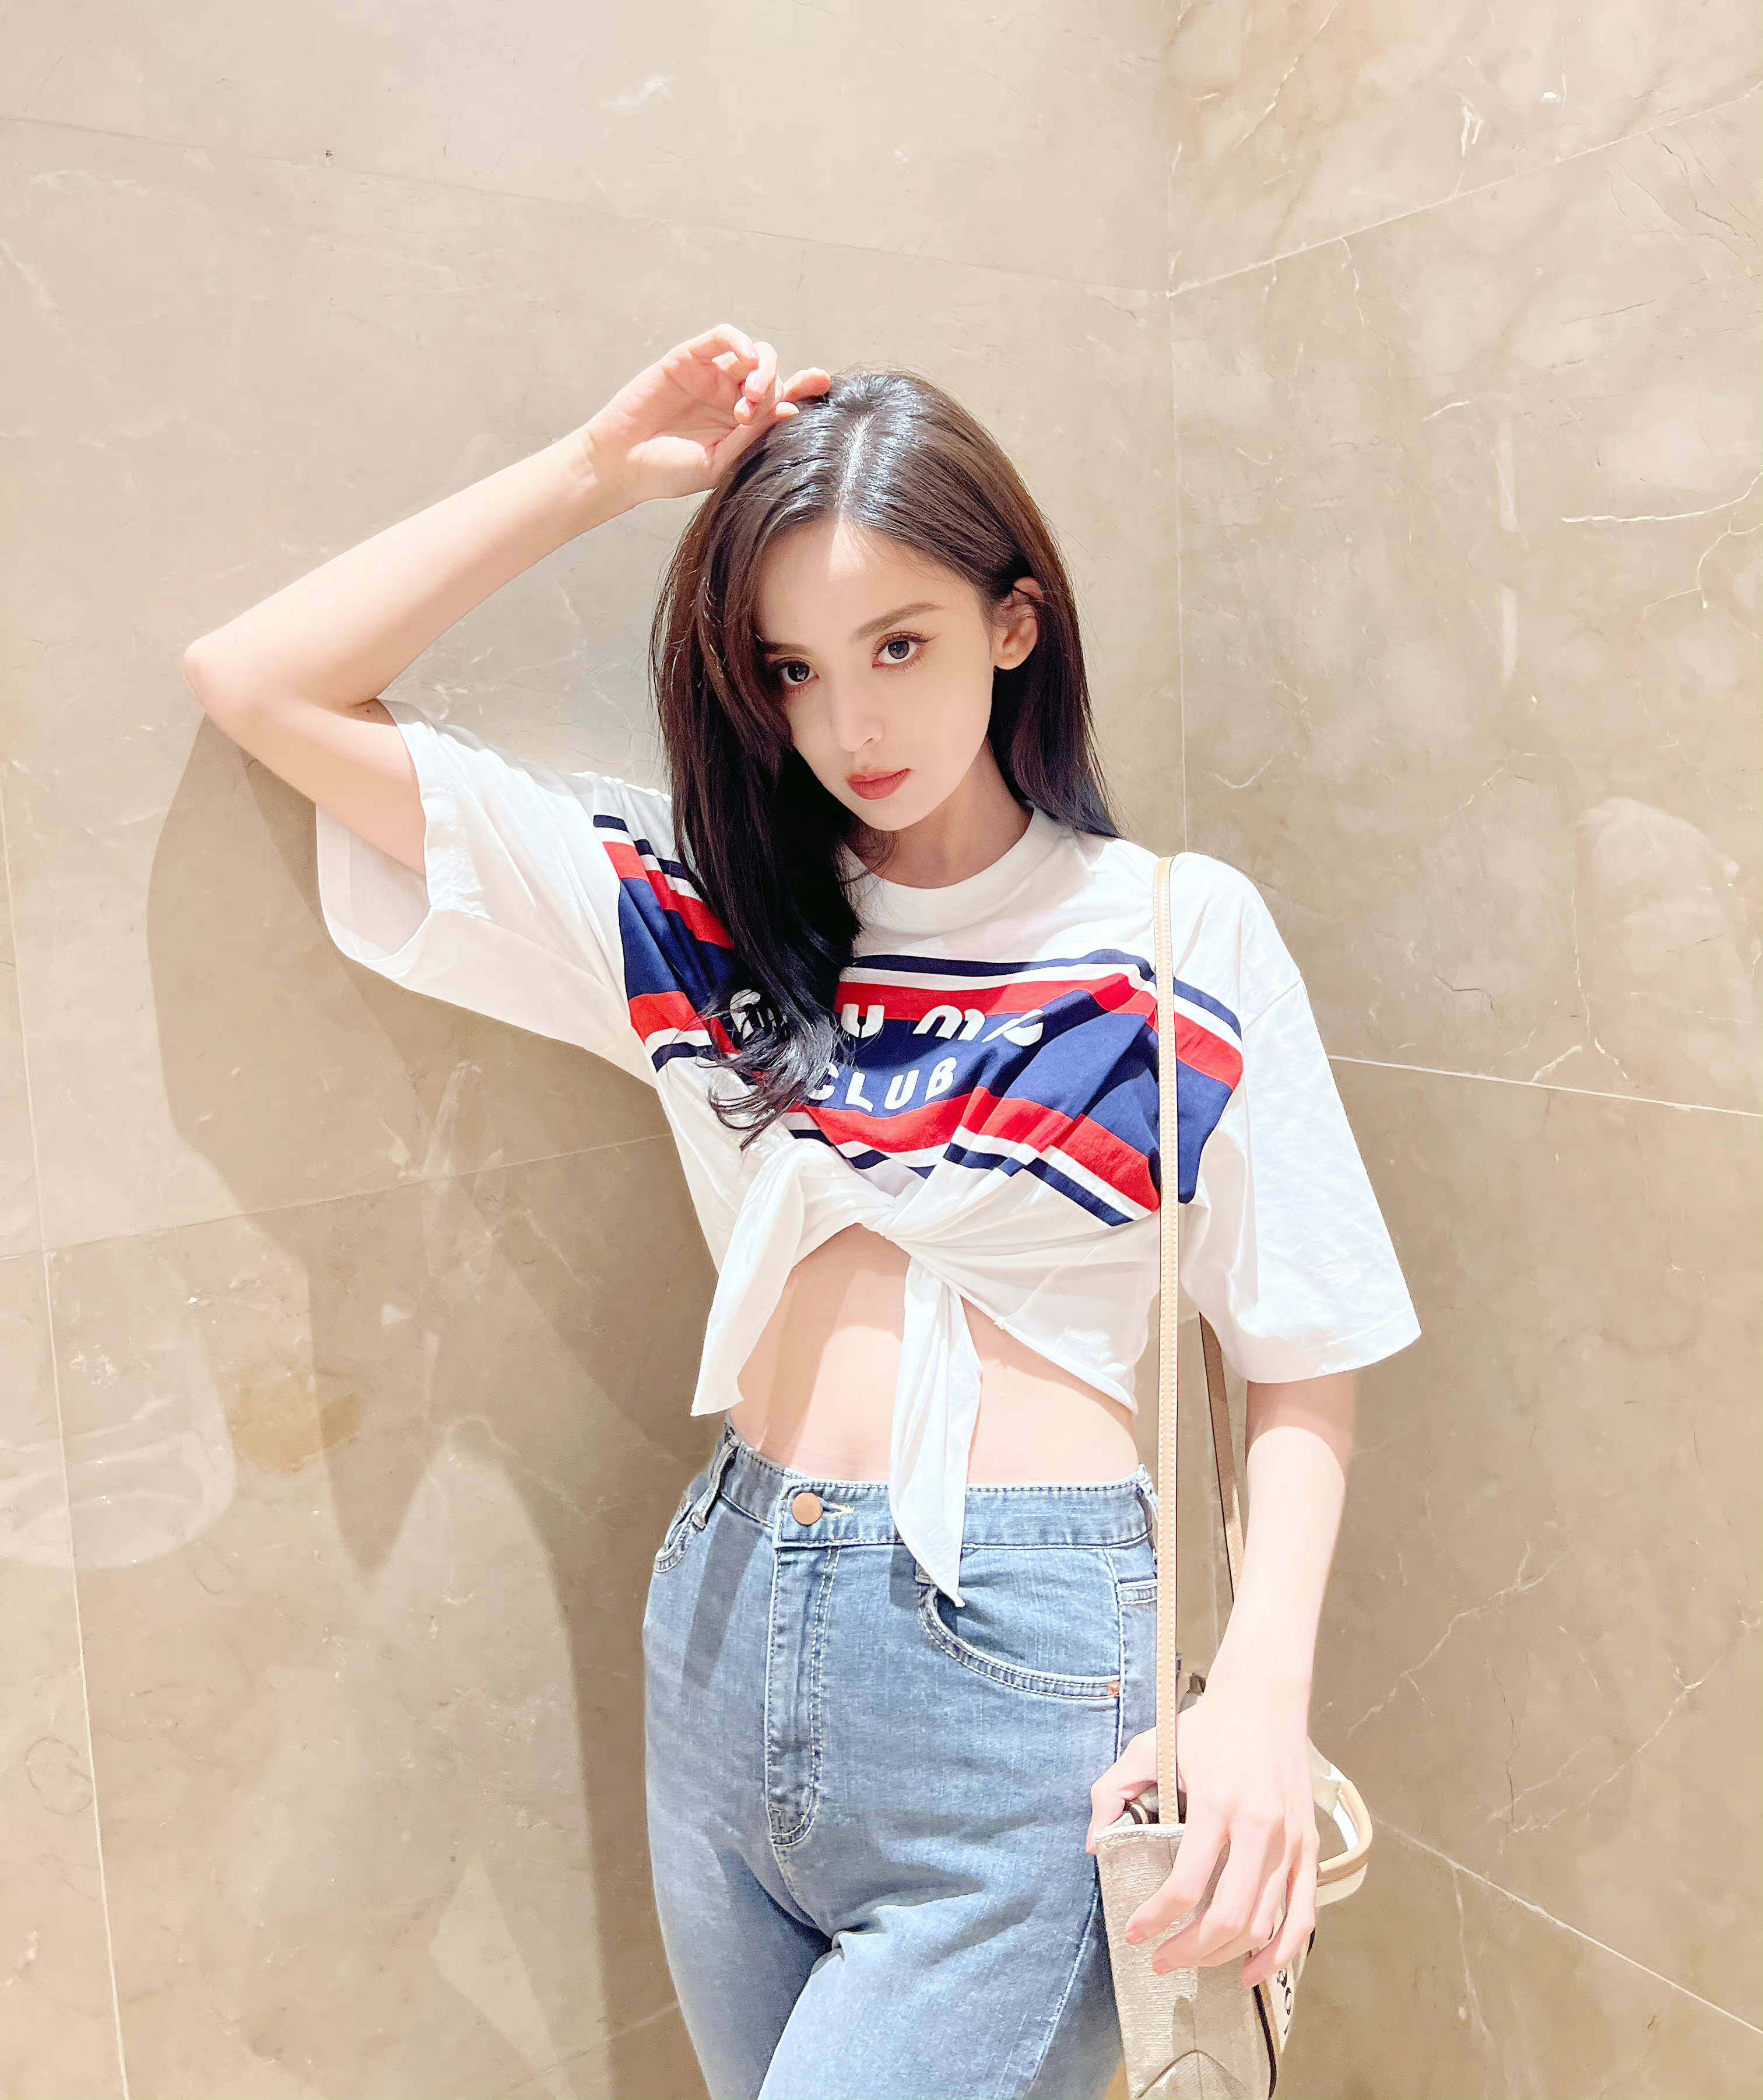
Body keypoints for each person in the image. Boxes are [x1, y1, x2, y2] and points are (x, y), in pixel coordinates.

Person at [182, 323, 1421, 2100]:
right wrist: (596, 473)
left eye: (900, 644)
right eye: (793, 669)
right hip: (724, 1634)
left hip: (1022, 1689)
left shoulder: (1174, 933)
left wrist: (1259, 1701)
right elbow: (260, 684)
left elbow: (1301, 1351)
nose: (853, 725)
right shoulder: (703, 915)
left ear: (1016, 621)